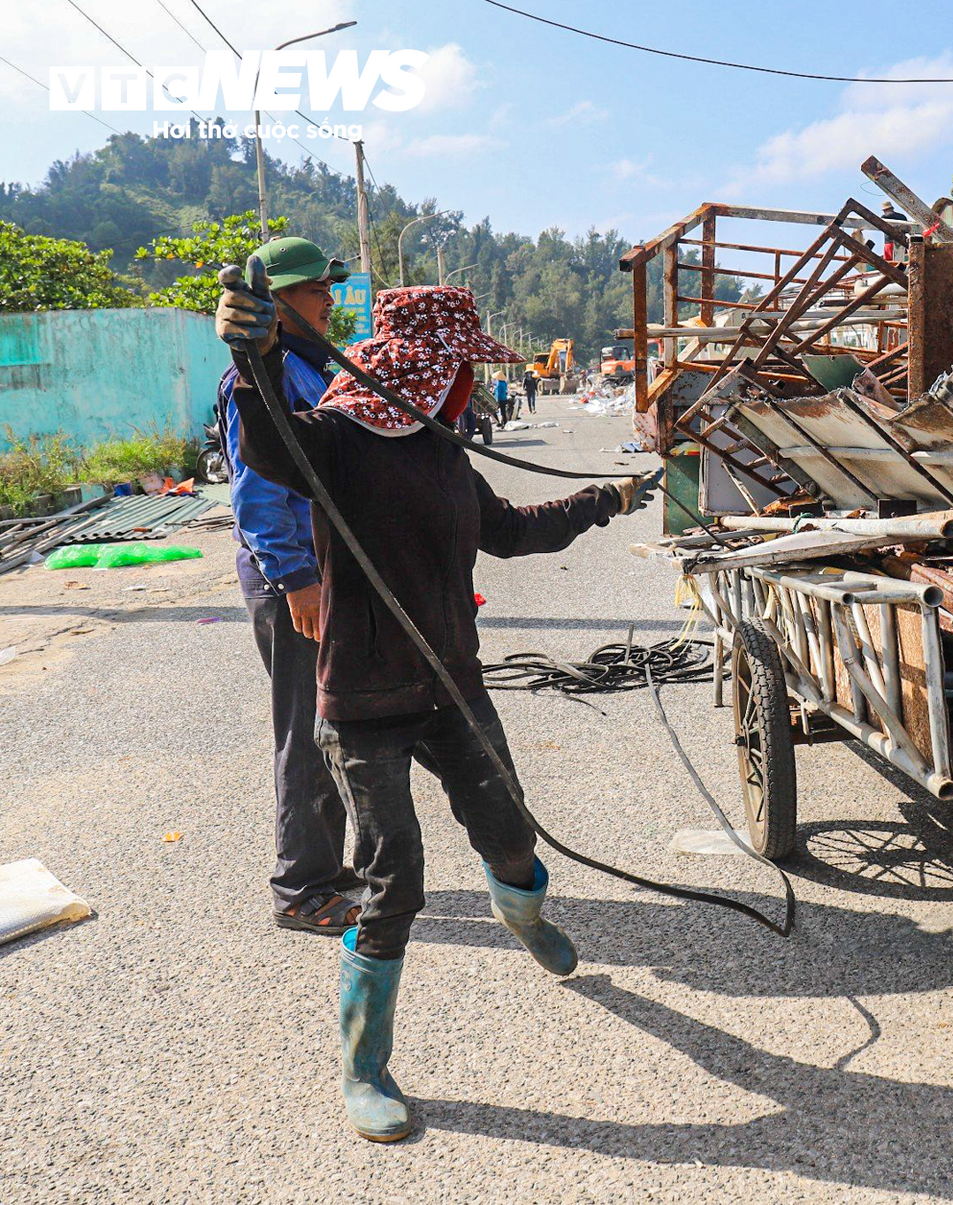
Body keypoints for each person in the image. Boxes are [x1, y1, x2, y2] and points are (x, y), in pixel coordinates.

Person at [215, 269, 653, 1142]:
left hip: (453, 687)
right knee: (394, 878)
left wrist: (604, 500)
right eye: (464, 370)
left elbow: (513, 531)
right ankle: (365, 1065)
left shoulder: (441, 448)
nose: (472, 388)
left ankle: (521, 908)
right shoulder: (334, 441)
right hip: (366, 700)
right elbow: (268, 448)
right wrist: (253, 358)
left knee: (512, 836)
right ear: (429, 366)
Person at [217, 236, 364, 935]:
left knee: (331, 723)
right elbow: (261, 494)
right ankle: (300, 888)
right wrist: (297, 579)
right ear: (273, 305)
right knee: (305, 732)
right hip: (292, 578)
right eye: (313, 290)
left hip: (321, 570)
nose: (328, 300)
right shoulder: (260, 377)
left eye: (328, 287)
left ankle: (329, 868)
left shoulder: (312, 366)